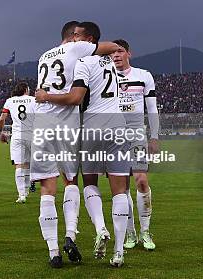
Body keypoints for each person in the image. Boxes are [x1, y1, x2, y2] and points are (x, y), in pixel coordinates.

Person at [37, 22, 130, 267]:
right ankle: (113, 249)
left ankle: (55, 251)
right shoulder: (111, 62)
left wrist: (45, 96)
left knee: (53, 189)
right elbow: (114, 47)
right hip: (115, 127)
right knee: (113, 189)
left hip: (52, 123)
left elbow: (75, 97)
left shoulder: (48, 57)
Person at [111, 39, 160, 251]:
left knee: (141, 180)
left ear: (129, 53)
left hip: (137, 133)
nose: (116, 56)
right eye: (112, 53)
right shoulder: (106, 78)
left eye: (120, 51)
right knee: (122, 187)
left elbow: (152, 108)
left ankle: (145, 231)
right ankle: (130, 232)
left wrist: (155, 136)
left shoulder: (143, 76)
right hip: (113, 136)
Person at [0, 81, 35, 203]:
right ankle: (27, 189)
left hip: (17, 136)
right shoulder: (33, 100)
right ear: (25, 90)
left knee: (18, 165)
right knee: (28, 164)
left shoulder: (10, 101)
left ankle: (21, 195)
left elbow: (2, 118)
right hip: (32, 135)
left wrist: (1, 132)